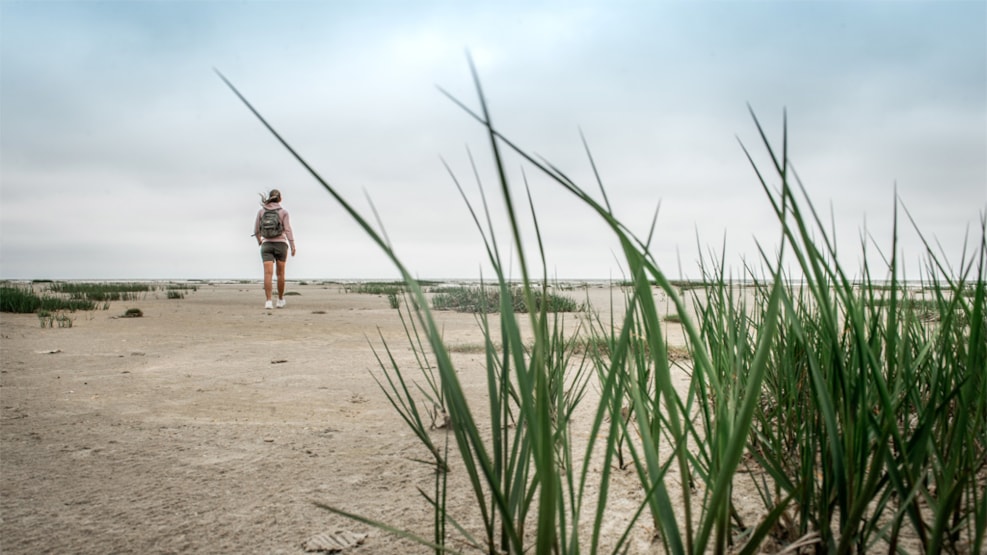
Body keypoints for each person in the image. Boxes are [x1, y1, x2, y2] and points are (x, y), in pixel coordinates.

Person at [254, 189, 296, 309]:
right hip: (281, 245)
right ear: (280, 199)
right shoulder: (283, 212)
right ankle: (280, 300)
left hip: (266, 244)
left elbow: (256, 229)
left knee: (268, 274)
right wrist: (292, 245)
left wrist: (260, 241)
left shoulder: (261, 212)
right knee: (280, 274)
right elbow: (288, 229)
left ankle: (268, 301)